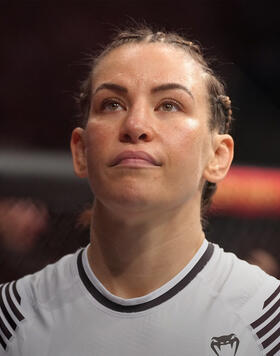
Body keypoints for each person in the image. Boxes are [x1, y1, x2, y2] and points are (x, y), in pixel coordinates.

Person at [1, 25, 279, 356]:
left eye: (170, 105)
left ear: (217, 156)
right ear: (80, 151)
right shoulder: (12, 320)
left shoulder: (267, 321)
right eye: (112, 104)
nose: (135, 126)